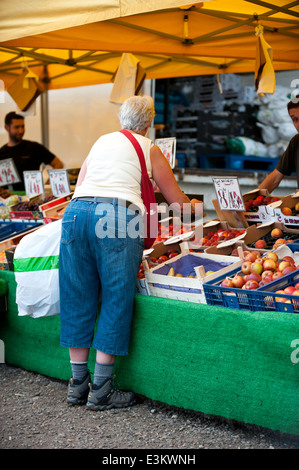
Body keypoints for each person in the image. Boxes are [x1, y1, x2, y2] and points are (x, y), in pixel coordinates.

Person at [59, 95, 201, 411]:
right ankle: (101, 391)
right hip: (118, 218)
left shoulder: (101, 141)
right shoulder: (150, 148)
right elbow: (179, 205)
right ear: (149, 122)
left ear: (122, 119)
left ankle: (76, 386)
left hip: (76, 214)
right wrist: (203, 209)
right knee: (115, 297)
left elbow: (81, 184)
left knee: (77, 295)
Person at [0, 112, 63, 191]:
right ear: (7, 127)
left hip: (34, 198)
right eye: (17, 127)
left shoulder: (34, 147)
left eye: (23, 126)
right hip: (9, 200)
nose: (21, 131)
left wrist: (47, 184)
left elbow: (58, 164)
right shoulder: (1, 153)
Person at [258, 94, 299, 192]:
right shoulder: (296, 142)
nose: (298, 124)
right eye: (295, 119)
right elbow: (276, 177)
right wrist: (252, 198)